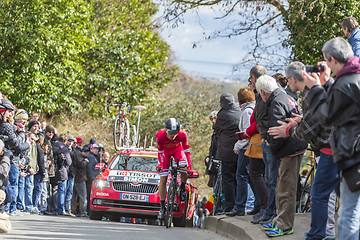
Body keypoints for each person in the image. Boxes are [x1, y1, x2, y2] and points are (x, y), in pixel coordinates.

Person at [268, 61, 339, 240]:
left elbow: (310, 130)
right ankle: (326, 233)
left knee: (319, 196)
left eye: (287, 80)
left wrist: (289, 130)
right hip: (338, 147)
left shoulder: (309, 94)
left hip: (329, 149)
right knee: (341, 196)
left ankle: (317, 235)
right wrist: (301, 120)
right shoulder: (320, 89)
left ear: (293, 79)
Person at [302, 37, 360, 240]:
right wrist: (327, 82)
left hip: (353, 157)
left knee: (347, 217)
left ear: (333, 60)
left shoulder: (347, 83)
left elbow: (327, 116)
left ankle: (317, 235)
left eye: (326, 60)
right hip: (351, 154)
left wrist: (316, 88)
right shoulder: (353, 77)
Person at [255, 75, 307, 237]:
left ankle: (284, 225)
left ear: (263, 92)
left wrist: (271, 145)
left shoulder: (276, 102)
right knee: (282, 186)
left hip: (289, 149)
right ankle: (279, 219)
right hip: (295, 145)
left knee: (285, 188)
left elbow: (277, 131)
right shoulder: (284, 96)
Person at [226, 88, 258, 217]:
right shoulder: (253, 108)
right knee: (251, 177)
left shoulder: (246, 112)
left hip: (246, 149)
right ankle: (258, 203)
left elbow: (246, 132)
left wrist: (237, 146)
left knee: (241, 176)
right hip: (251, 147)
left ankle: (240, 206)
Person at [156, 118, 191, 220]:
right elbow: (160, 153)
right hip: (165, 153)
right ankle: (162, 207)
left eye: (175, 133)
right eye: (170, 133)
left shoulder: (183, 135)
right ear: (166, 130)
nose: (173, 136)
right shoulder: (160, 135)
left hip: (177, 150)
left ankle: (183, 187)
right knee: (163, 179)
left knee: (184, 168)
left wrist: (188, 167)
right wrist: (161, 166)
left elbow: (187, 151)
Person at [213, 93, 241, 214]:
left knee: (228, 179)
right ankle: (238, 205)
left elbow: (216, 127)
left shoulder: (223, 114)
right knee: (237, 178)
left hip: (226, 151)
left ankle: (229, 206)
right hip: (239, 150)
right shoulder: (239, 111)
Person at [71, 145, 89, 217]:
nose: (87, 153)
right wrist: (86, 161)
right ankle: (82, 211)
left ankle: (74, 210)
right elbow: (81, 164)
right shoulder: (78, 155)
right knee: (83, 196)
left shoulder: (75, 153)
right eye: (86, 152)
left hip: (76, 178)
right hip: (80, 178)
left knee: (74, 196)